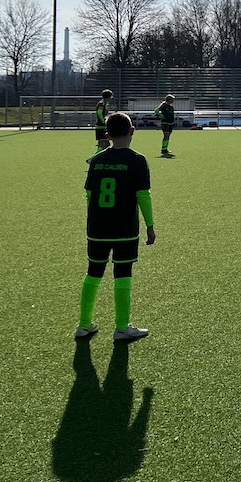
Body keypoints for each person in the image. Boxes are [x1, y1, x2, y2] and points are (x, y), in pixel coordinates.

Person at [77, 112, 155, 343]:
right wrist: (150, 225)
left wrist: (94, 220)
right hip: (124, 228)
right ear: (132, 131)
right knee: (123, 272)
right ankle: (122, 328)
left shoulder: (96, 160)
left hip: (97, 227)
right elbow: (143, 195)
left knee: (94, 271)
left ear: (108, 135)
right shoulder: (137, 160)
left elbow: (89, 195)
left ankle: (84, 324)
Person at [154, 94, 176, 158]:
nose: (173, 101)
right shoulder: (163, 106)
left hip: (170, 123)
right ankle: (163, 149)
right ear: (169, 100)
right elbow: (156, 111)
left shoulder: (171, 107)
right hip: (165, 123)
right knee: (166, 135)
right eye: (172, 100)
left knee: (168, 136)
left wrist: (173, 120)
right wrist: (161, 116)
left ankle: (165, 149)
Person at [93, 89, 113, 154]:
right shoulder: (101, 104)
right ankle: (94, 157)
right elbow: (99, 113)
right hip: (100, 126)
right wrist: (103, 122)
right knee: (103, 144)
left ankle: (101, 157)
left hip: (102, 126)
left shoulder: (105, 104)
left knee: (106, 144)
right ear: (108, 97)